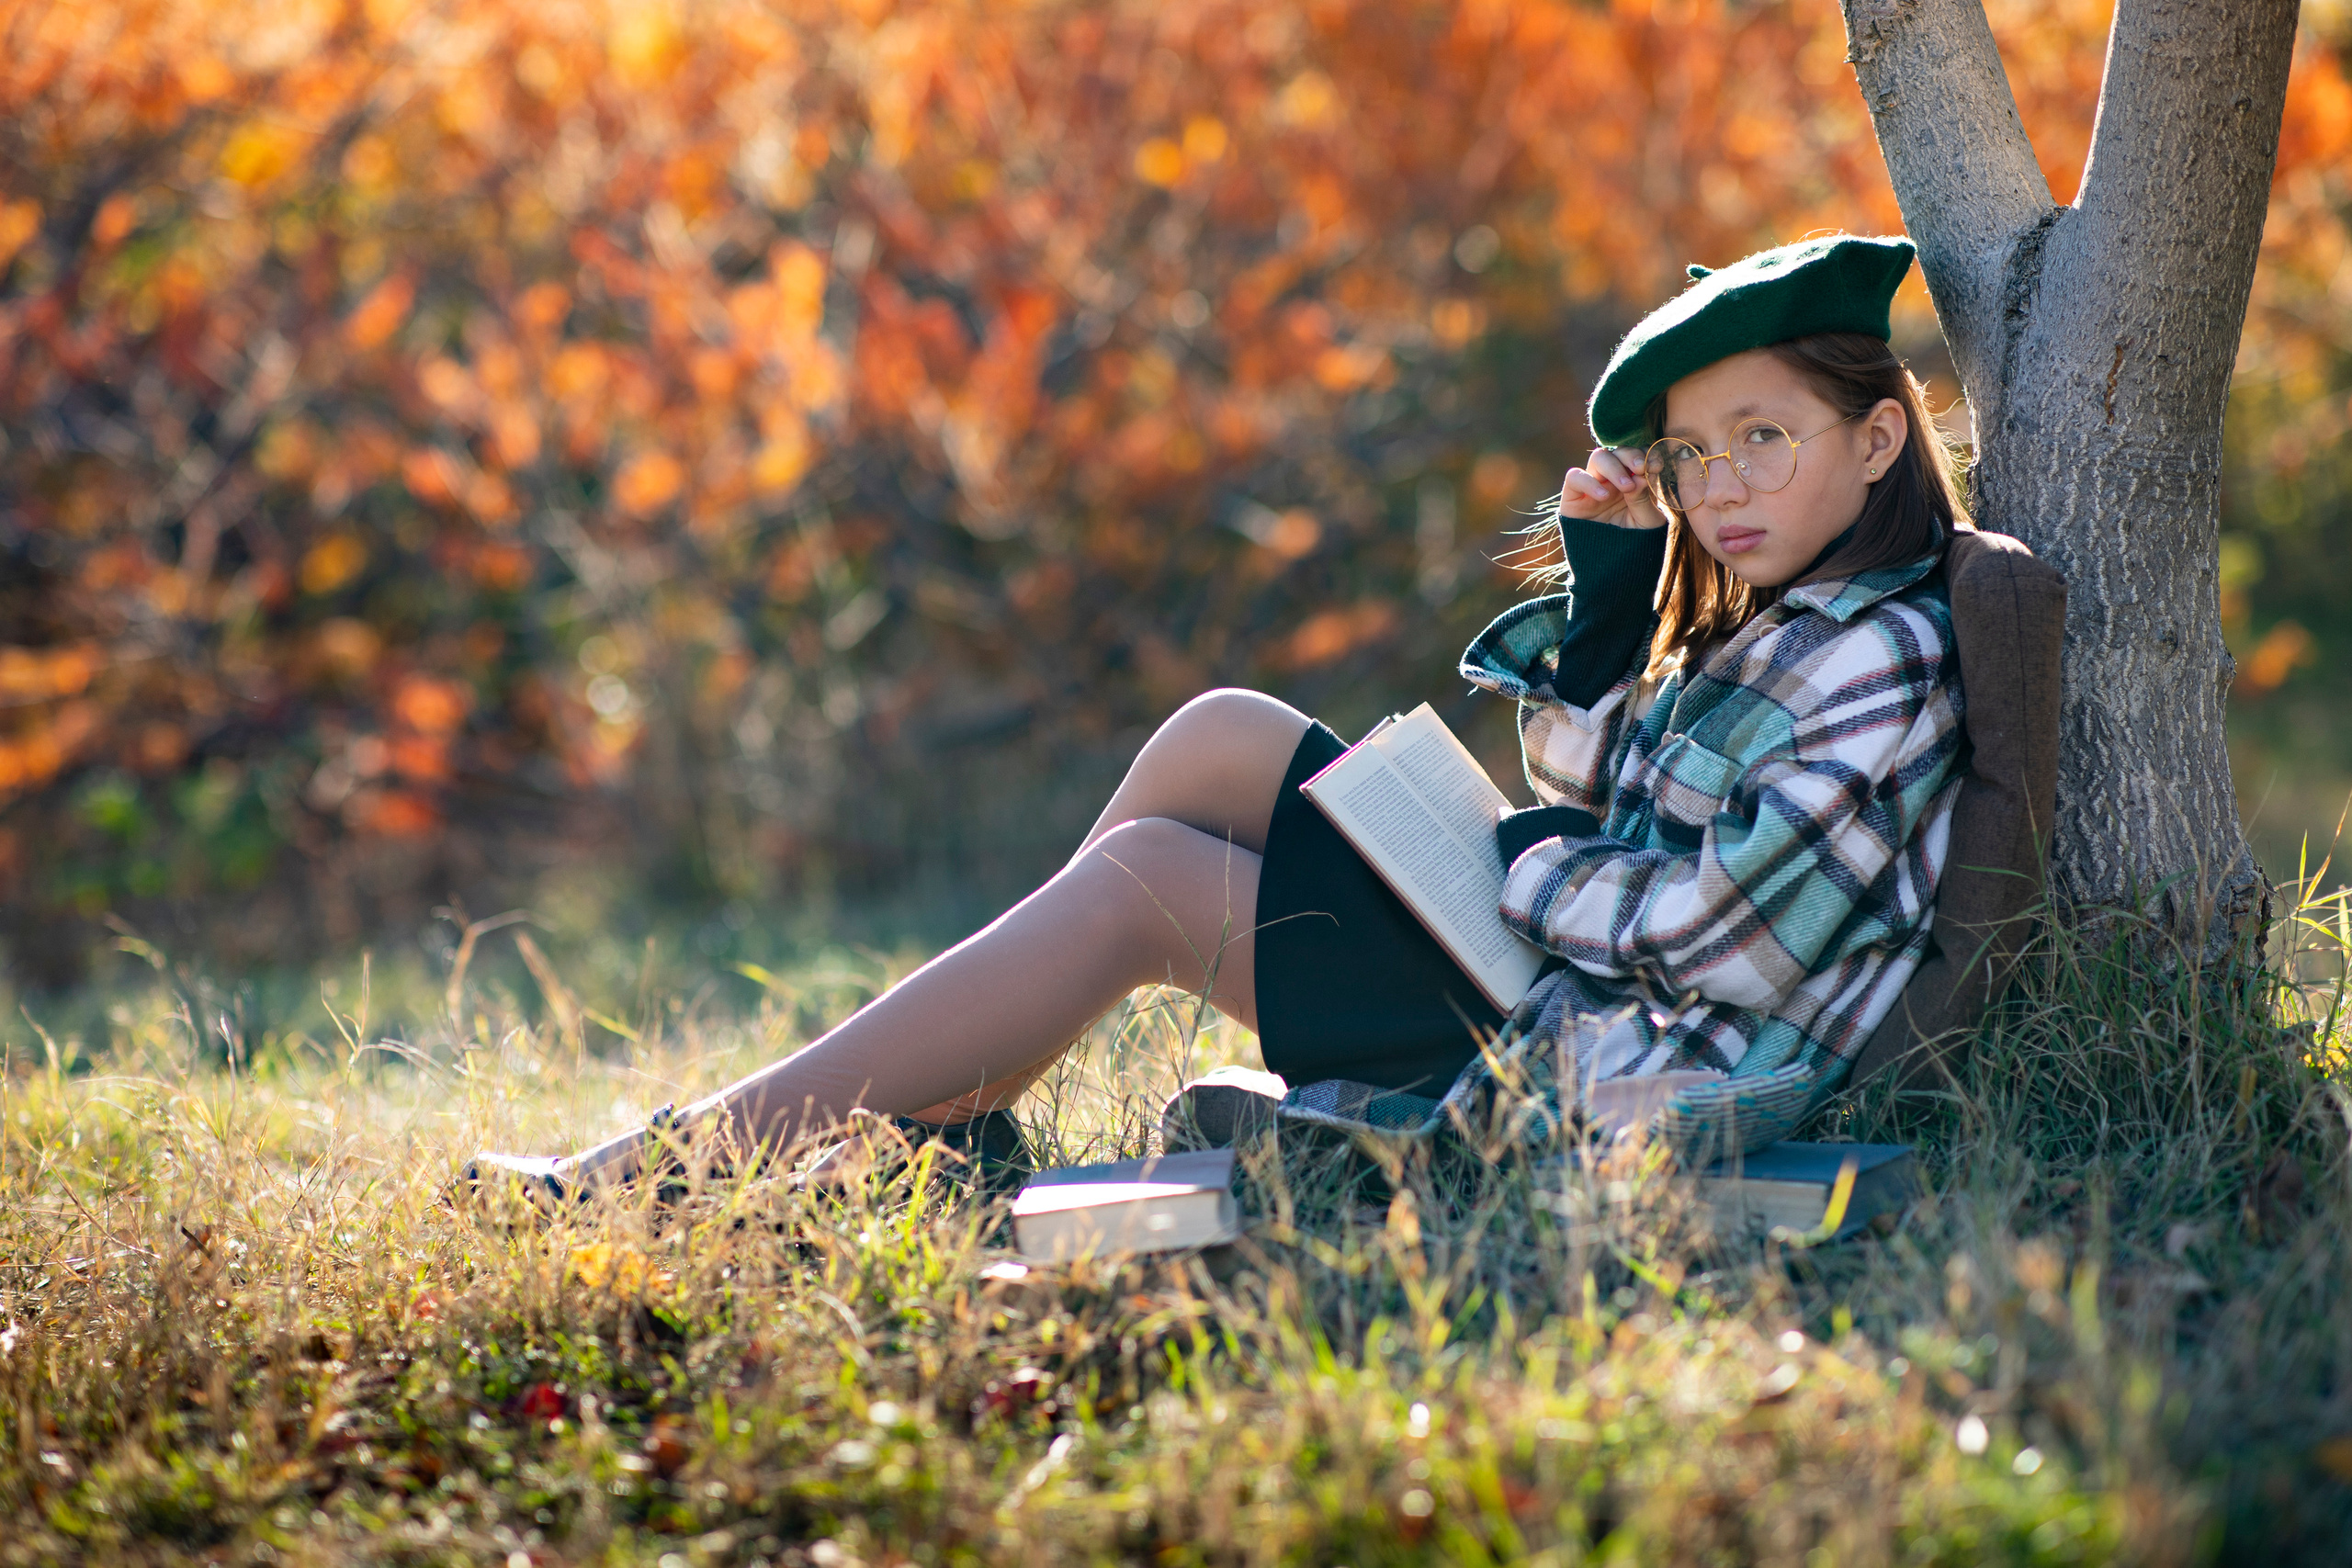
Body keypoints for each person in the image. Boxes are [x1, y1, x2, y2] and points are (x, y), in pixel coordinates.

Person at [464, 232, 1967, 1202]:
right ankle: (919, 1114)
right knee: (1225, 732)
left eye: (1764, 440)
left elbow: (1732, 940)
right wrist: (1614, 598)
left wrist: (1515, 869)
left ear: (1879, 433)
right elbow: (1601, 791)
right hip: (1562, 976)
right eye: (1695, 457)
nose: (1722, 489)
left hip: (1598, 1059)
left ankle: (663, 1169)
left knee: (1149, 889)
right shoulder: (1774, 620)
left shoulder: (1880, 659)